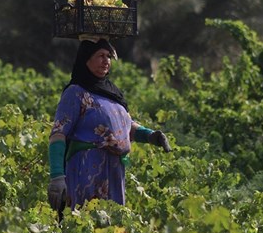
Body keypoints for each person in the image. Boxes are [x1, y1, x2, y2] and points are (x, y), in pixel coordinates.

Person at [47, 38, 171, 214]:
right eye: (100, 56)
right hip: (87, 171)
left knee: (112, 223)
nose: (106, 60)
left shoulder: (113, 94)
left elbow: (126, 126)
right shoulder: (75, 92)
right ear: (86, 59)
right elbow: (58, 134)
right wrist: (57, 177)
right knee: (85, 220)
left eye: (109, 56)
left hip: (114, 172)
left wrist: (150, 136)